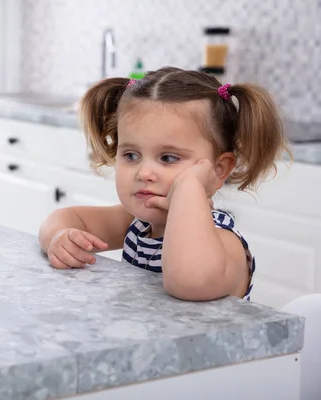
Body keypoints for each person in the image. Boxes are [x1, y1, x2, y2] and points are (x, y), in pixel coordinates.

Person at [38, 66, 291, 302]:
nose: (144, 172)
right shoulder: (138, 223)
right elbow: (65, 217)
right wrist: (60, 237)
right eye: (131, 155)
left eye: (168, 158)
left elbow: (190, 282)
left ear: (218, 169)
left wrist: (189, 188)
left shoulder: (223, 239)